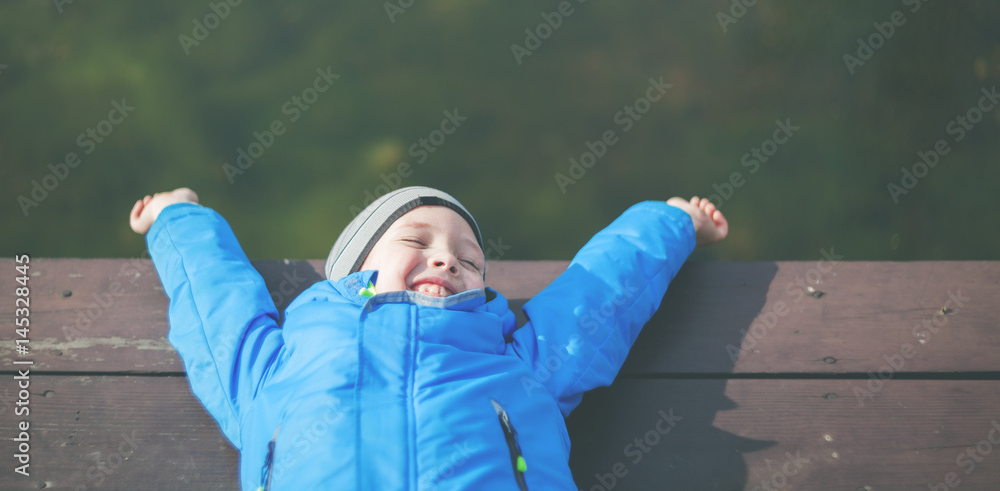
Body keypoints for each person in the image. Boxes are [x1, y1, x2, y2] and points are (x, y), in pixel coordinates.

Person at [129, 186, 727, 490]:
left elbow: (602, 294)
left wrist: (671, 222)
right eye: (416, 244)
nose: (446, 262)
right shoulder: (283, 359)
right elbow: (215, 303)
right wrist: (180, 217)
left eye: (470, 261)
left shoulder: (518, 357)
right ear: (356, 271)